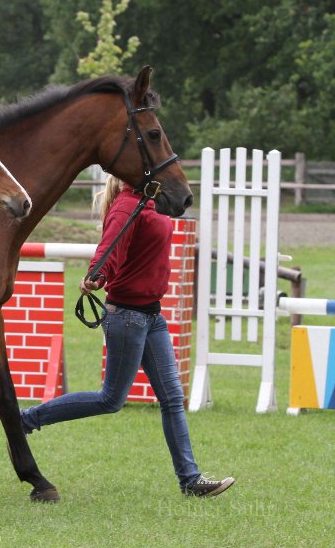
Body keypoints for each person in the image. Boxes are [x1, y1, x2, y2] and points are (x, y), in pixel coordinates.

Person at [20, 175, 235, 497]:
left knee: (173, 398)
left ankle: (191, 481)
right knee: (111, 399)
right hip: (128, 317)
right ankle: (25, 420)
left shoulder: (148, 201)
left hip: (151, 315)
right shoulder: (126, 206)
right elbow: (110, 246)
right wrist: (97, 274)